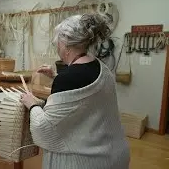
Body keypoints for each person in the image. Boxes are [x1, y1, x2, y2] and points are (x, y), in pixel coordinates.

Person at [20, 13, 130, 169]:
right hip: (114, 154)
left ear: (65, 44)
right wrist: (56, 77)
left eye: (57, 42)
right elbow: (84, 97)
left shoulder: (68, 79)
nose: (57, 46)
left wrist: (32, 105)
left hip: (88, 161)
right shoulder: (102, 68)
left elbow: (45, 129)